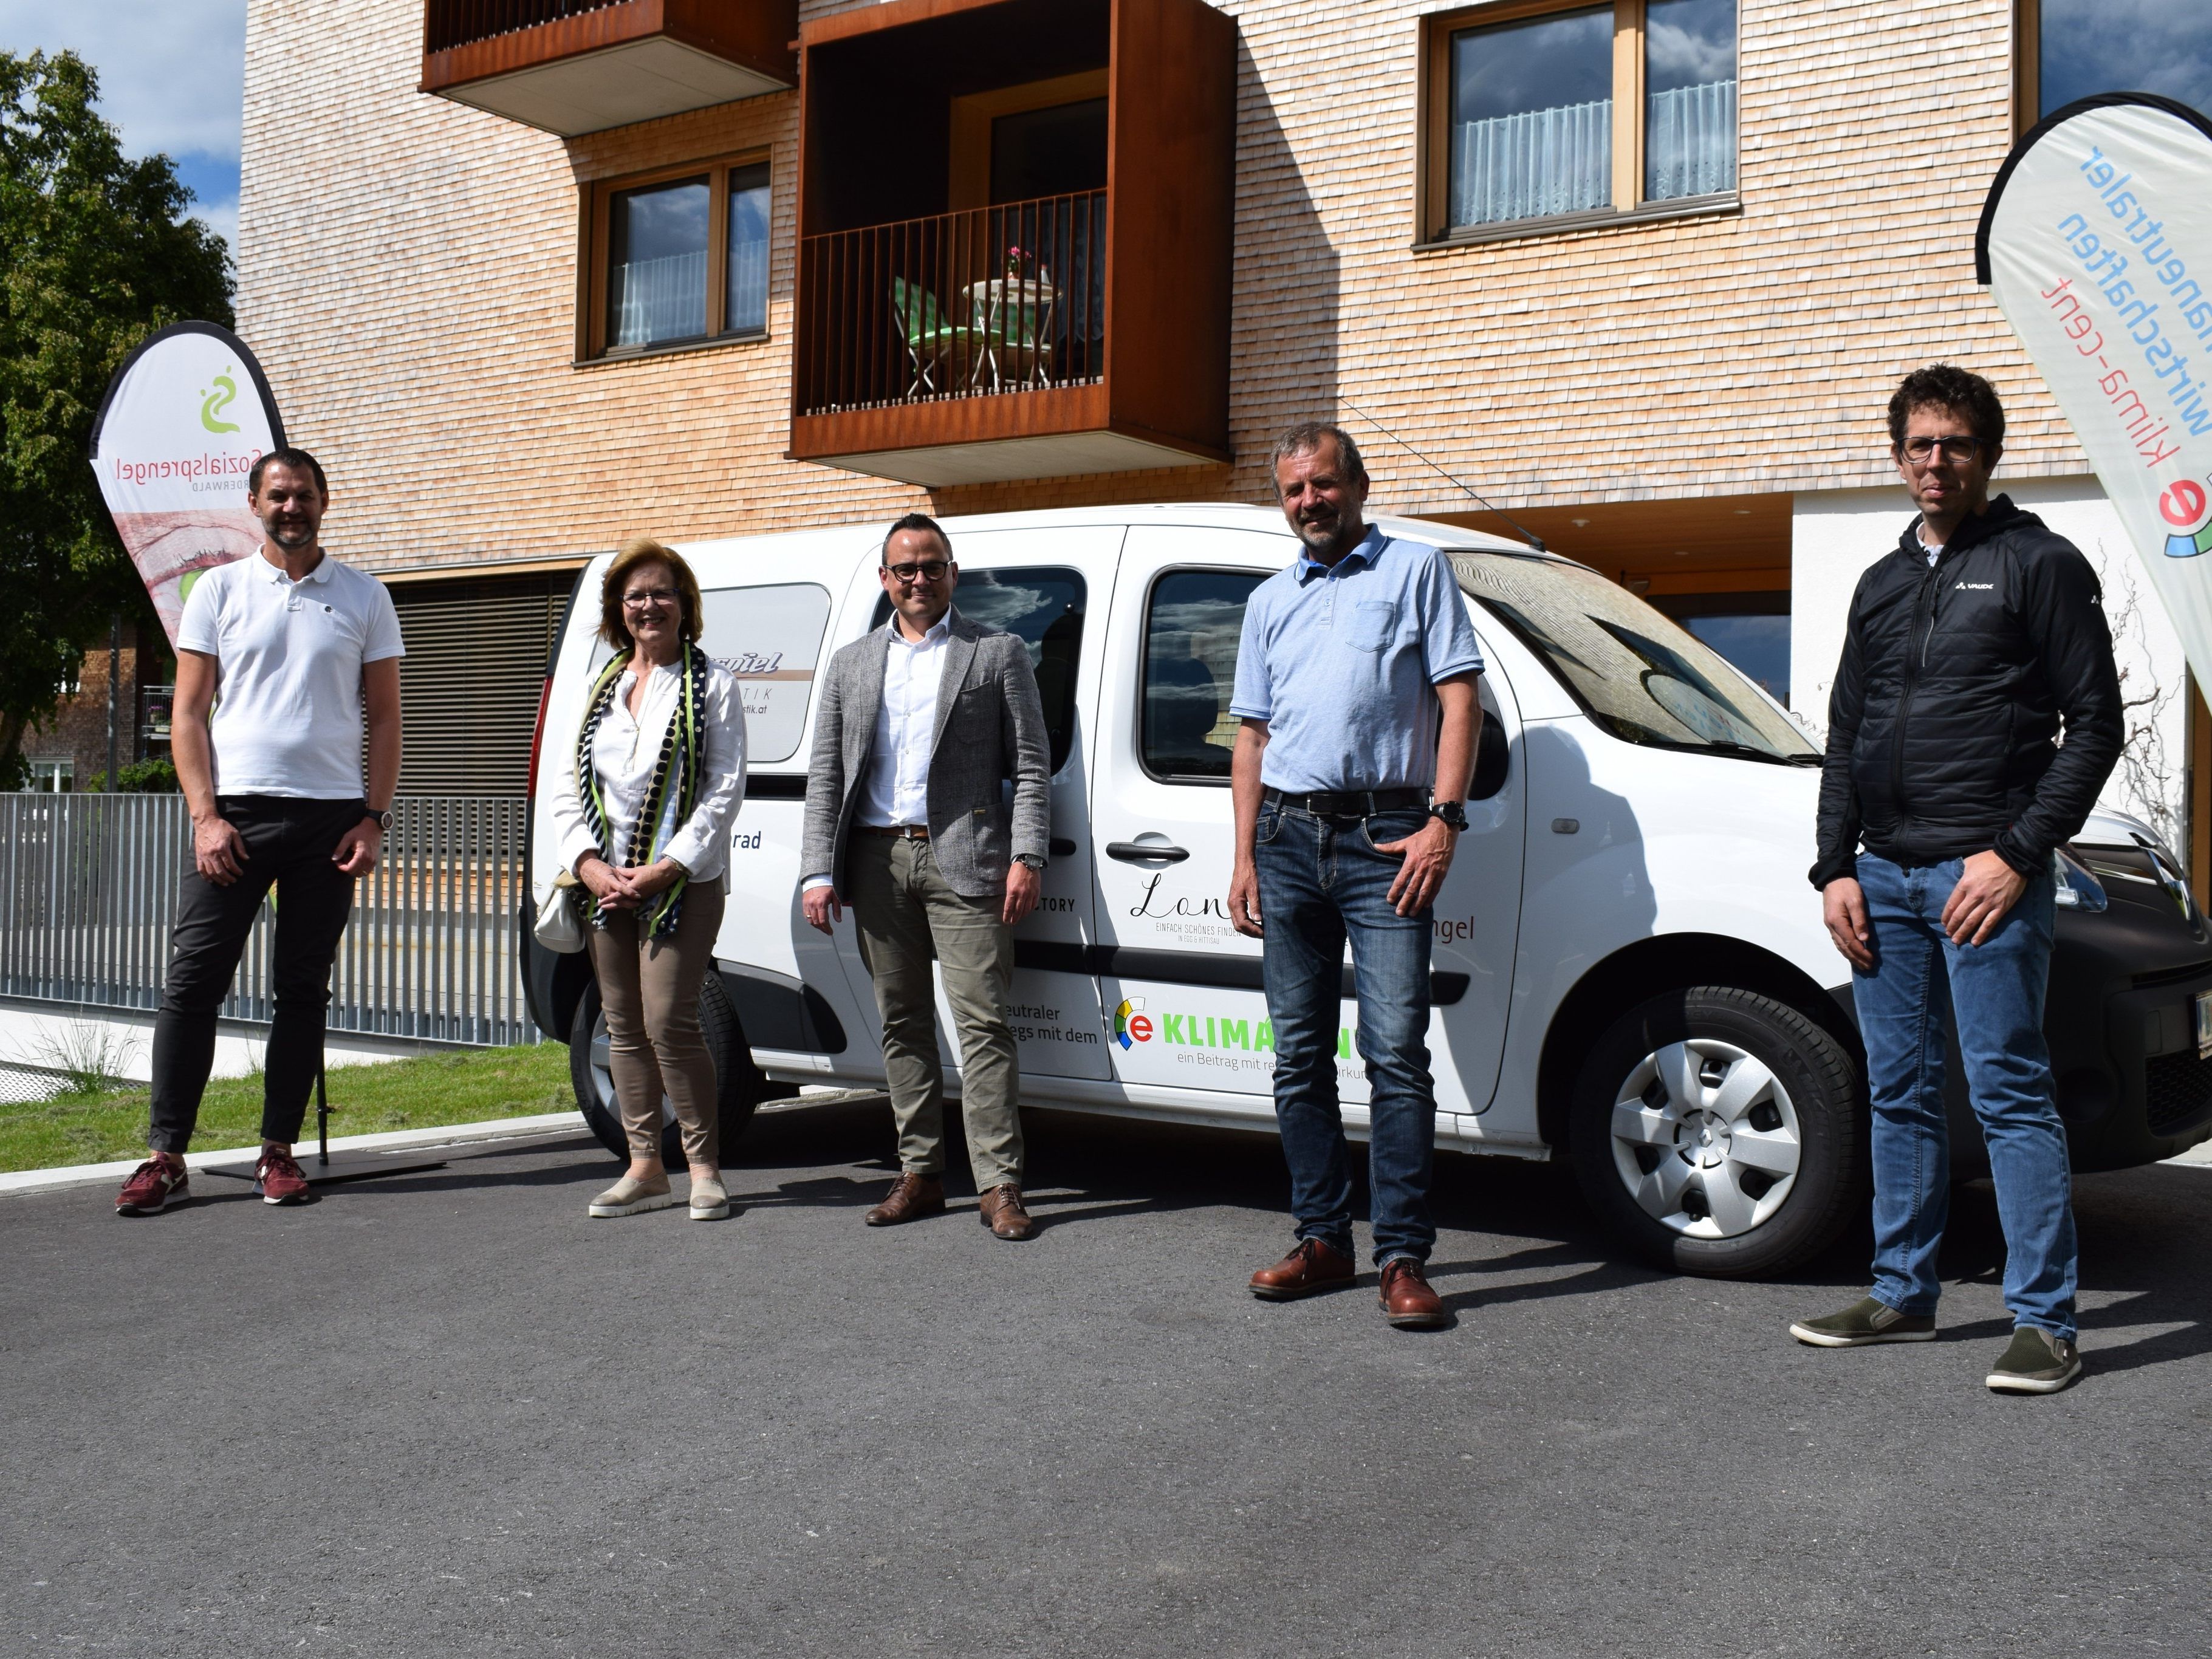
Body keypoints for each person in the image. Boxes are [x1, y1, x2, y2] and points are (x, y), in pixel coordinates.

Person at [1796, 364, 2123, 1394]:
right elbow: (1846, 733)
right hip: (1881, 879)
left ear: (1987, 455)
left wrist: (2017, 851)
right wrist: (1834, 866)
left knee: (2008, 1091)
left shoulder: (2038, 563)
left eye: (1957, 443)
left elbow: (2096, 726)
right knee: (1898, 1091)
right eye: (1920, 444)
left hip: (1983, 876)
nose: (1937, 461)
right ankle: (1902, 1292)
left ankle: (2044, 1322)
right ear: (1897, 456)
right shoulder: (1881, 582)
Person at [1227, 423, 1485, 1329]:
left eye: (1324, 484)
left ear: (1357, 486)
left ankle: (1404, 1255)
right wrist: (1245, 853)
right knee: (1297, 1055)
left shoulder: (1416, 569)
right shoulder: (1268, 599)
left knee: (1394, 1057)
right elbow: (1251, 737)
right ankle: (1323, 1239)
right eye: (1294, 489)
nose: (1309, 501)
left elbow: (1461, 697)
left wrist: (1441, 822)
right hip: (1290, 837)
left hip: (1387, 838)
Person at [114, 448, 403, 1214]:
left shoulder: (366, 596)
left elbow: (386, 717)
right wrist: (205, 817)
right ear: (254, 503)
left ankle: (277, 1152)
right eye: (277, 496)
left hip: (330, 823)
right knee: (192, 985)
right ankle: (165, 1153)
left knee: (302, 990)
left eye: (303, 495)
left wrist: (373, 819)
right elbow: (186, 714)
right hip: (234, 818)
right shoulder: (217, 589)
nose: (291, 508)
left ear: (325, 500)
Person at [800, 513, 1051, 1239]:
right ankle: (919, 1173)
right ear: (884, 578)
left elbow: (1030, 766)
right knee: (901, 1024)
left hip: (967, 860)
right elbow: (827, 775)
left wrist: (1025, 855)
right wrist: (819, 869)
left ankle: (999, 1184)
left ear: (952, 573)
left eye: (931, 565)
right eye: (904, 568)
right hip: (876, 863)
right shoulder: (850, 662)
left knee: (983, 1026)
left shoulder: (997, 652)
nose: (918, 579)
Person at [550, 539, 747, 1221]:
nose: (648, 605)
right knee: (624, 1025)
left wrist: (663, 868)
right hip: (605, 886)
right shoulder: (597, 686)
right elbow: (564, 791)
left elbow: (724, 790)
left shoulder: (711, 683)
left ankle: (702, 1168)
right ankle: (643, 1167)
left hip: (681, 885)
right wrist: (591, 865)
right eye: (636, 595)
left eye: (662, 593)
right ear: (618, 608)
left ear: (684, 604)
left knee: (670, 1019)